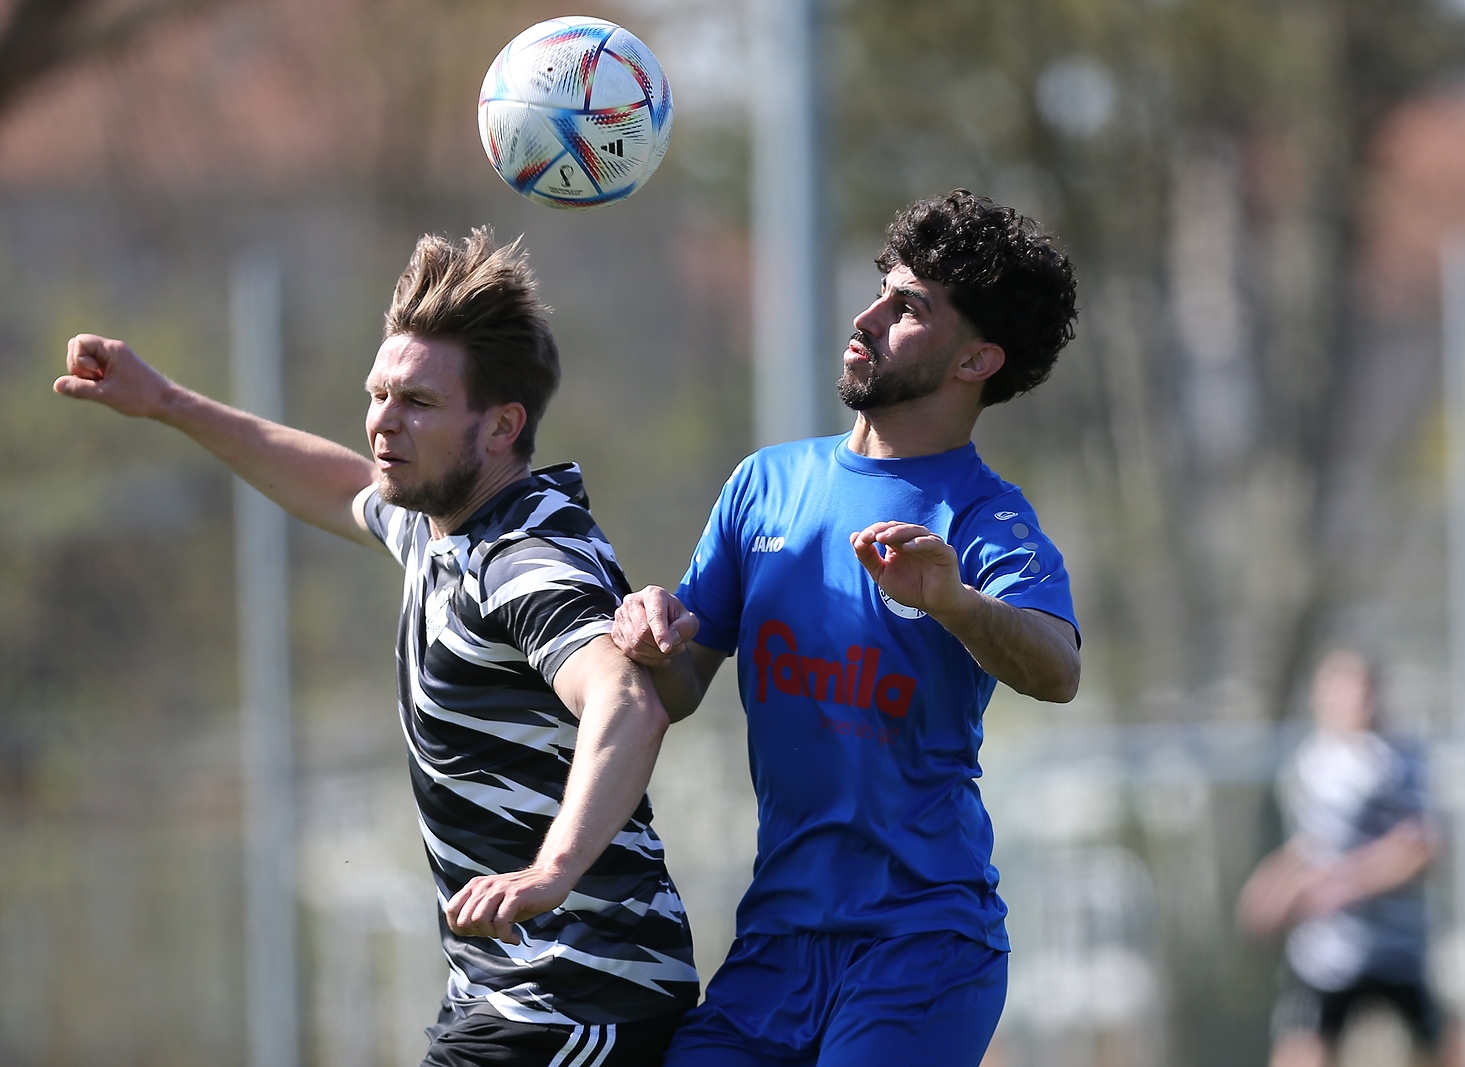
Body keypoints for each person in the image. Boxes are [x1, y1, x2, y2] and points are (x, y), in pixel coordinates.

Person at [53, 228, 698, 1066]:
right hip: (507, 992)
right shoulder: (445, 523)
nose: (382, 423)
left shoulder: (521, 562)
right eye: (378, 394)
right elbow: (337, 485)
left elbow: (626, 698)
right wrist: (169, 401)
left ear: (502, 425)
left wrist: (552, 870)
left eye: (418, 403)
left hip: (585, 996)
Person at [610, 190, 1083, 1066]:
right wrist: (647, 633)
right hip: (776, 944)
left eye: (909, 309)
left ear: (977, 358)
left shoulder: (982, 517)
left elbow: (1058, 667)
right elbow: (678, 687)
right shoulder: (763, 486)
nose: (865, 318)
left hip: (924, 946)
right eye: (882, 290)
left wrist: (956, 602)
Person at [1237, 649, 1440, 1067]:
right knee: (1302, 1051)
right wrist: (1269, 884)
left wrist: (1344, 885)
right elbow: (1312, 845)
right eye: (1341, 691)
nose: (1353, 701)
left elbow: (1420, 847)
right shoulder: (1312, 763)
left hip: (1397, 944)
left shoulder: (1400, 760)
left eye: (1362, 690)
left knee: (1432, 1050)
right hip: (1329, 951)